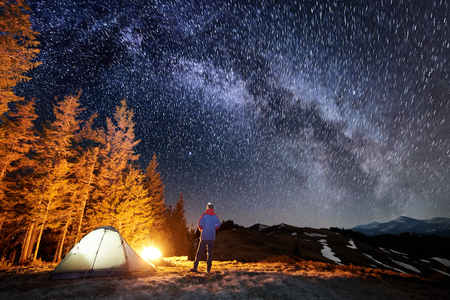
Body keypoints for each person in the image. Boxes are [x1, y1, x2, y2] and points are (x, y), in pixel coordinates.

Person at [190, 202, 220, 273]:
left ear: (207, 208)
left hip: (204, 236)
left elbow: (199, 223)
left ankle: (195, 267)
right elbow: (218, 225)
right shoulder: (215, 216)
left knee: (200, 252)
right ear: (213, 209)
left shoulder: (204, 215)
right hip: (212, 237)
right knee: (210, 252)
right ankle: (208, 269)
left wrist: (201, 228)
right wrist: (214, 228)